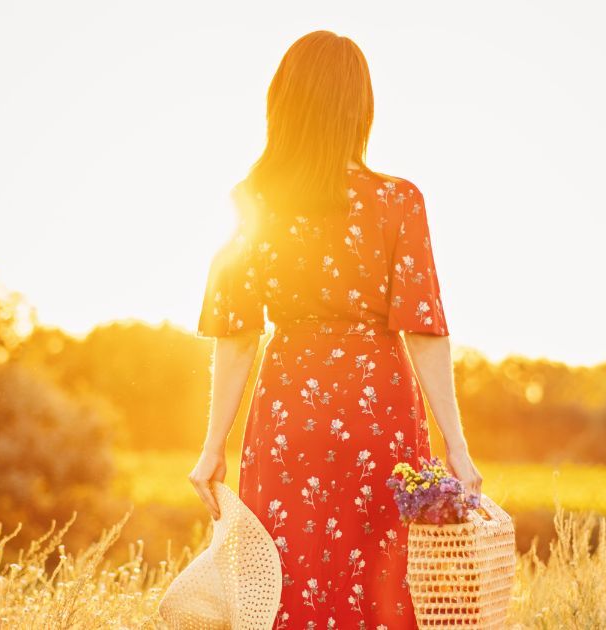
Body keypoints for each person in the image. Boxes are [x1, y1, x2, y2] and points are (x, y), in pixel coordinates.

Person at [188, 29, 482, 630]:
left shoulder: (253, 201)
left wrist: (214, 445)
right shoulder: (399, 201)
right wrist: (456, 446)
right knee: (384, 575)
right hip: (381, 412)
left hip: (288, 408)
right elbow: (424, 332)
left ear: (283, 104)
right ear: (361, 108)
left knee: (284, 571)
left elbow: (237, 333)